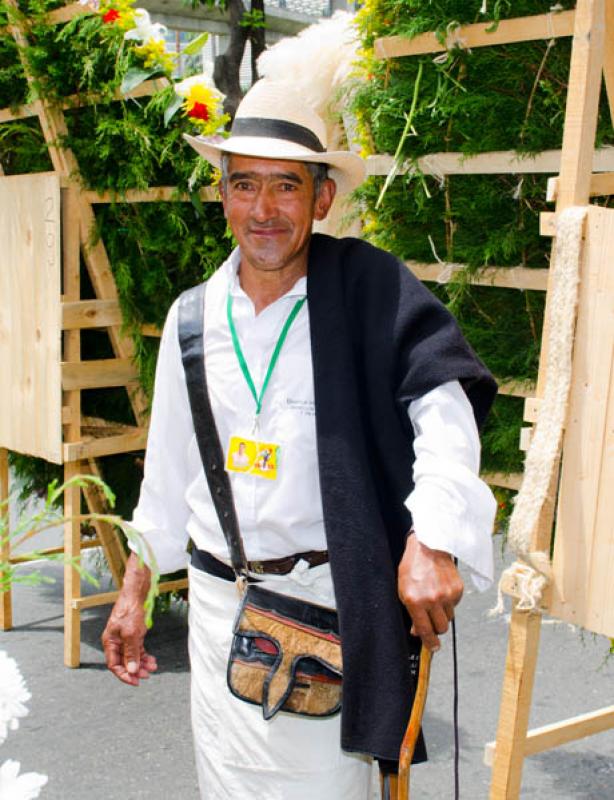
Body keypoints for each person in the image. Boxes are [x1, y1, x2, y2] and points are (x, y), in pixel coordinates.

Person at [102, 79, 498, 799]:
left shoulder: (370, 293)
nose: (263, 210)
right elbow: (166, 478)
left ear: (322, 199)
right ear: (221, 195)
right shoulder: (192, 321)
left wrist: (432, 537)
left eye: (286, 186)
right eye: (244, 184)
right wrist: (133, 593)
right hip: (222, 614)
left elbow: (446, 412)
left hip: (330, 613)